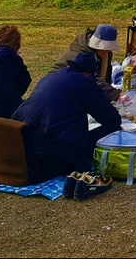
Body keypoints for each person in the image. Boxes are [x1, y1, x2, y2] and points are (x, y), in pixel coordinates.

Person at [12, 51, 121, 181]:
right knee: (114, 127)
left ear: (69, 66)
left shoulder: (50, 76)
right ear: (88, 74)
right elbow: (110, 117)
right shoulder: (85, 82)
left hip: (27, 141)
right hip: (56, 148)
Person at [52, 23, 122, 101]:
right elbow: (93, 79)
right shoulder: (81, 56)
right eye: (104, 47)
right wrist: (116, 95)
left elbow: (105, 78)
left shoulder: (105, 54)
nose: (107, 51)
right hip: (58, 87)